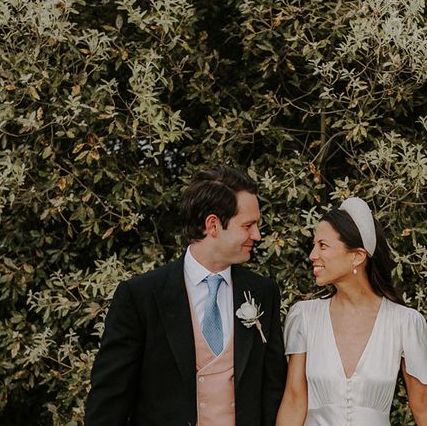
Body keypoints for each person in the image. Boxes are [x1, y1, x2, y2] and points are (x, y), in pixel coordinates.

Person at [84, 166, 287, 426]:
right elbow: (109, 399)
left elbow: (272, 390)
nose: (257, 235)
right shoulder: (141, 296)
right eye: (248, 225)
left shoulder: (263, 293)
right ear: (213, 225)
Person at [277, 197, 427, 426]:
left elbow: (424, 406)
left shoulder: (405, 323)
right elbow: (295, 400)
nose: (313, 255)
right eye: (314, 245)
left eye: (323, 246)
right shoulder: (304, 317)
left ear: (357, 256)